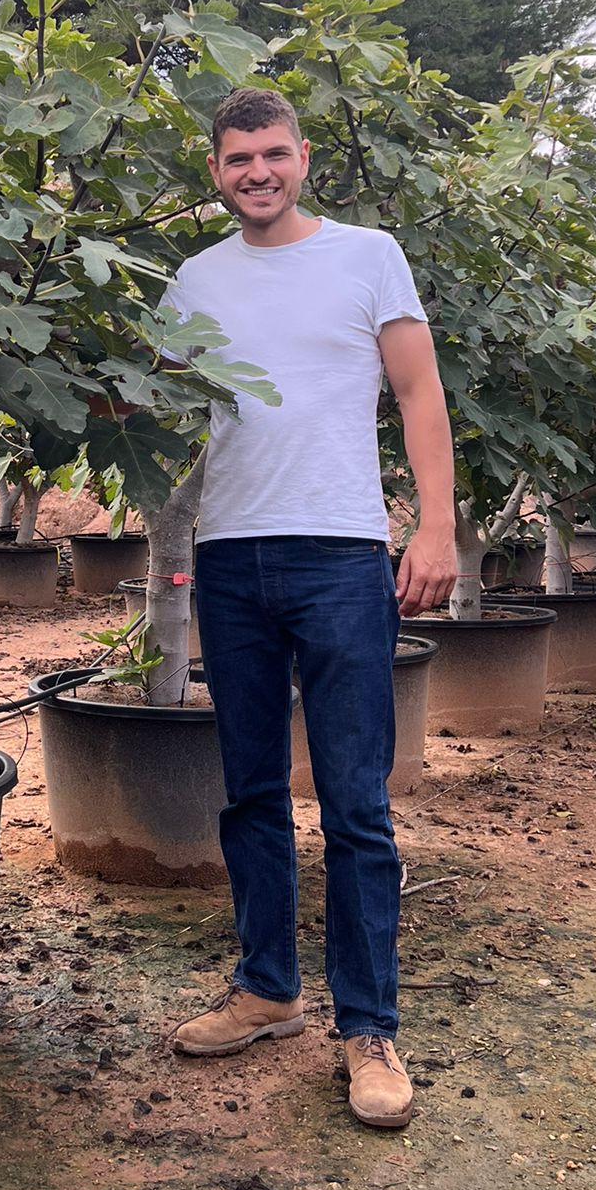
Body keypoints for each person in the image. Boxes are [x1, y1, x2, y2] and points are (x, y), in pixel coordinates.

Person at [162, 84, 457, 1129]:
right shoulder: (192, 277)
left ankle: (368, 1025)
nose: (258, 171)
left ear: (301, 156)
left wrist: (433, 526)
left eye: (274, 153)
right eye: (239, 157)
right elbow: (147, 390)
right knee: (248, 789)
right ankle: (269, 987)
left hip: (341, 553)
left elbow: (420, 392)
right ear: (216, 169)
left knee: (354, 799)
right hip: (231, 554)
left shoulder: (368, 254)